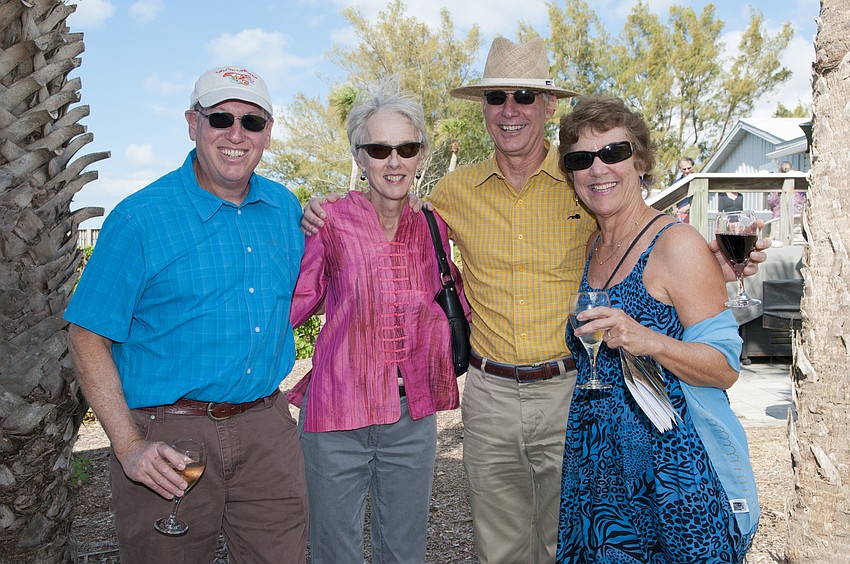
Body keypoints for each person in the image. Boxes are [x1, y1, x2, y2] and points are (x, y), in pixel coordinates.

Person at [300, 38, 769, 564]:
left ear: (549, 107)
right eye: (496, 96)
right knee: (498, 549)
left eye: (525, 95)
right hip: (489, 395)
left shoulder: (583, 185)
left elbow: (648, 244)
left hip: (574, 390)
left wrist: (714, 264)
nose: (510, 109)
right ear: (482, 109)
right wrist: (323, 211)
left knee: (569, 543)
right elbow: (393, 217)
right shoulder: (454, 192)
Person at [65, 66, 308, 564]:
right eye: (220, 118)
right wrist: (129, 445)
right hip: (169, 437)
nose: (236, 134)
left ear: (268, 132)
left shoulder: (285, 207)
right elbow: (86, 336)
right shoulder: (140, 218)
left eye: (252, 122)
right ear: (192, 123)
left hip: (266, 429)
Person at [556, 94, 758, 562]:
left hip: (671, 475)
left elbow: (724, 368)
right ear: (571, 174)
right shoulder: (593, 246)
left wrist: (649, 340)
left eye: (615, 152)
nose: (599, 168)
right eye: (582, 159)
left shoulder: (676, 243)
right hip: (599, 467)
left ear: (640, 161)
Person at [285, 81, 470, 563]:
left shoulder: (434, 225)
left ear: (421, 155)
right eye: (379, 149)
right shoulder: (329, 221)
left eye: (406, 148)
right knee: (335, 551)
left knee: (405, 551)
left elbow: (453, 304)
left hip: (412, 419)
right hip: (335, 415)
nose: (394, 161)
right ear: (359, 156)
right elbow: (292, 305)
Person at [672, 156, 693, 223]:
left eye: (689, 168)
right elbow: (672, 199)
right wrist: (675, 209)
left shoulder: (698, 181)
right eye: (684, 169)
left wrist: (687, 207)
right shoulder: (676, 183)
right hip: (680, 216)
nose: (687, 171)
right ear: (680, 169)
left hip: (694, 215)